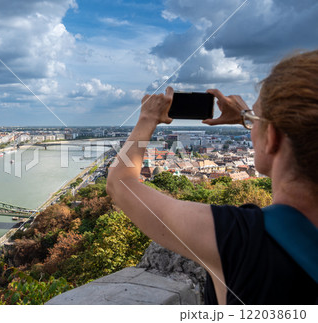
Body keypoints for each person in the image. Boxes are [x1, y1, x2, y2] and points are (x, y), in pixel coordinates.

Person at [106, 50, 318, 305]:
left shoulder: (236, 238)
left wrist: (147, 118)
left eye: (256, 120)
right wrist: (249, 118)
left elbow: (120, 183)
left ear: (271, 137)